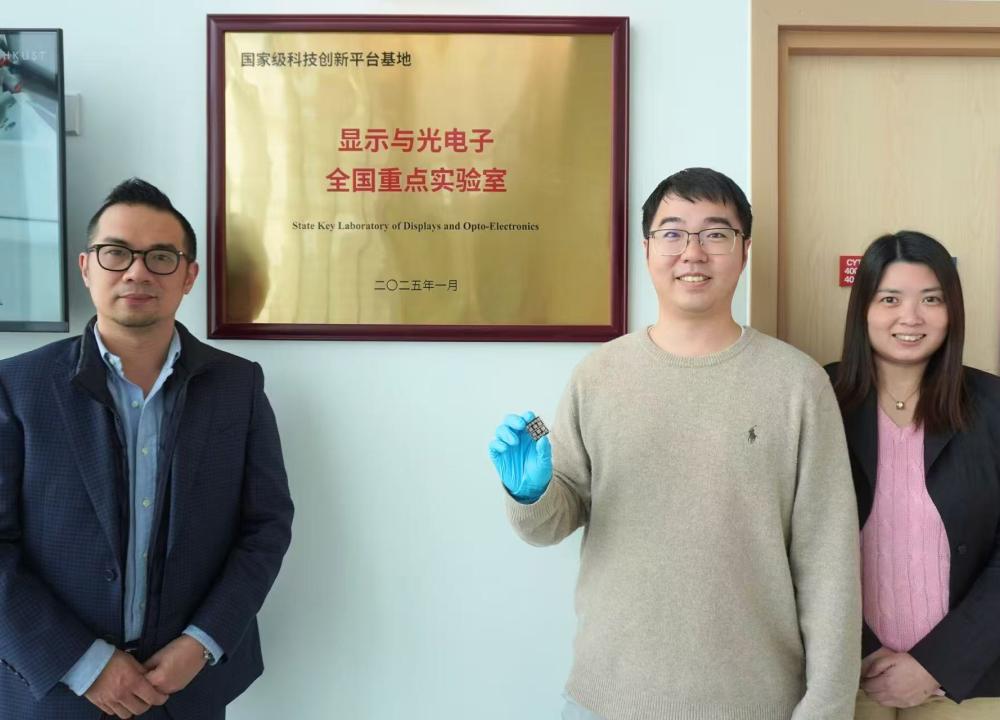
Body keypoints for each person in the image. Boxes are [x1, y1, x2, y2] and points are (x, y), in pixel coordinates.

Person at [489, 167, 861, 720]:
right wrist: (532, 495)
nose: (693, 252)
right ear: (646, 250)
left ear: (745, 249)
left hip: (756, 703)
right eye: (672, 233)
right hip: (606, 698)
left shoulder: (797, 383)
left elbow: (829, 561)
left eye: (716, 233)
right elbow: (550, 526)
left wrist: (826, 706)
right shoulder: (598, 374)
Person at [0, 178, 294, 720]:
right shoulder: (18, 387)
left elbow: (266, 527)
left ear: (189, 276)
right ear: (87, 267)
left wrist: (202, 642)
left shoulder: (238, 386)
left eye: (161, 257)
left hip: (186, 689)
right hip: (52, 692)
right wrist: (84, 663)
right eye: (117, 253)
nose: (137, 272)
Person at [828, 231, 1000, 718]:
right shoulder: (818, 400)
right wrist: (862, 651)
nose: (911, 317)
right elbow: (787, 541)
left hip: (966, 683)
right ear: (863, 308)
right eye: (890, 299)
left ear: (953, 312)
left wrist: (936, 664)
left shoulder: (993, 407)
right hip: (844, 678)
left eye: (931, 300)